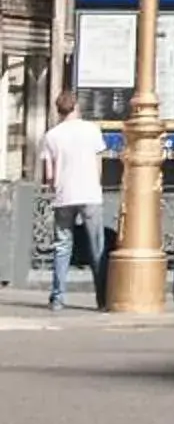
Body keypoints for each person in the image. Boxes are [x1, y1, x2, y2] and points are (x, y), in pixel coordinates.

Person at [39, 91, 106, 311]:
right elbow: (98, 164)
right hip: (89, 193)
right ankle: (102, 298)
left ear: (58, 110)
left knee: (62, 247)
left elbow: (49, 174)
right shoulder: (92, 130)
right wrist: (96, 185)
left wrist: (53, 187)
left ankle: (58, 297)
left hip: (64, 195)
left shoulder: (52, 135)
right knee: (97, 246)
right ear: (76, 106)